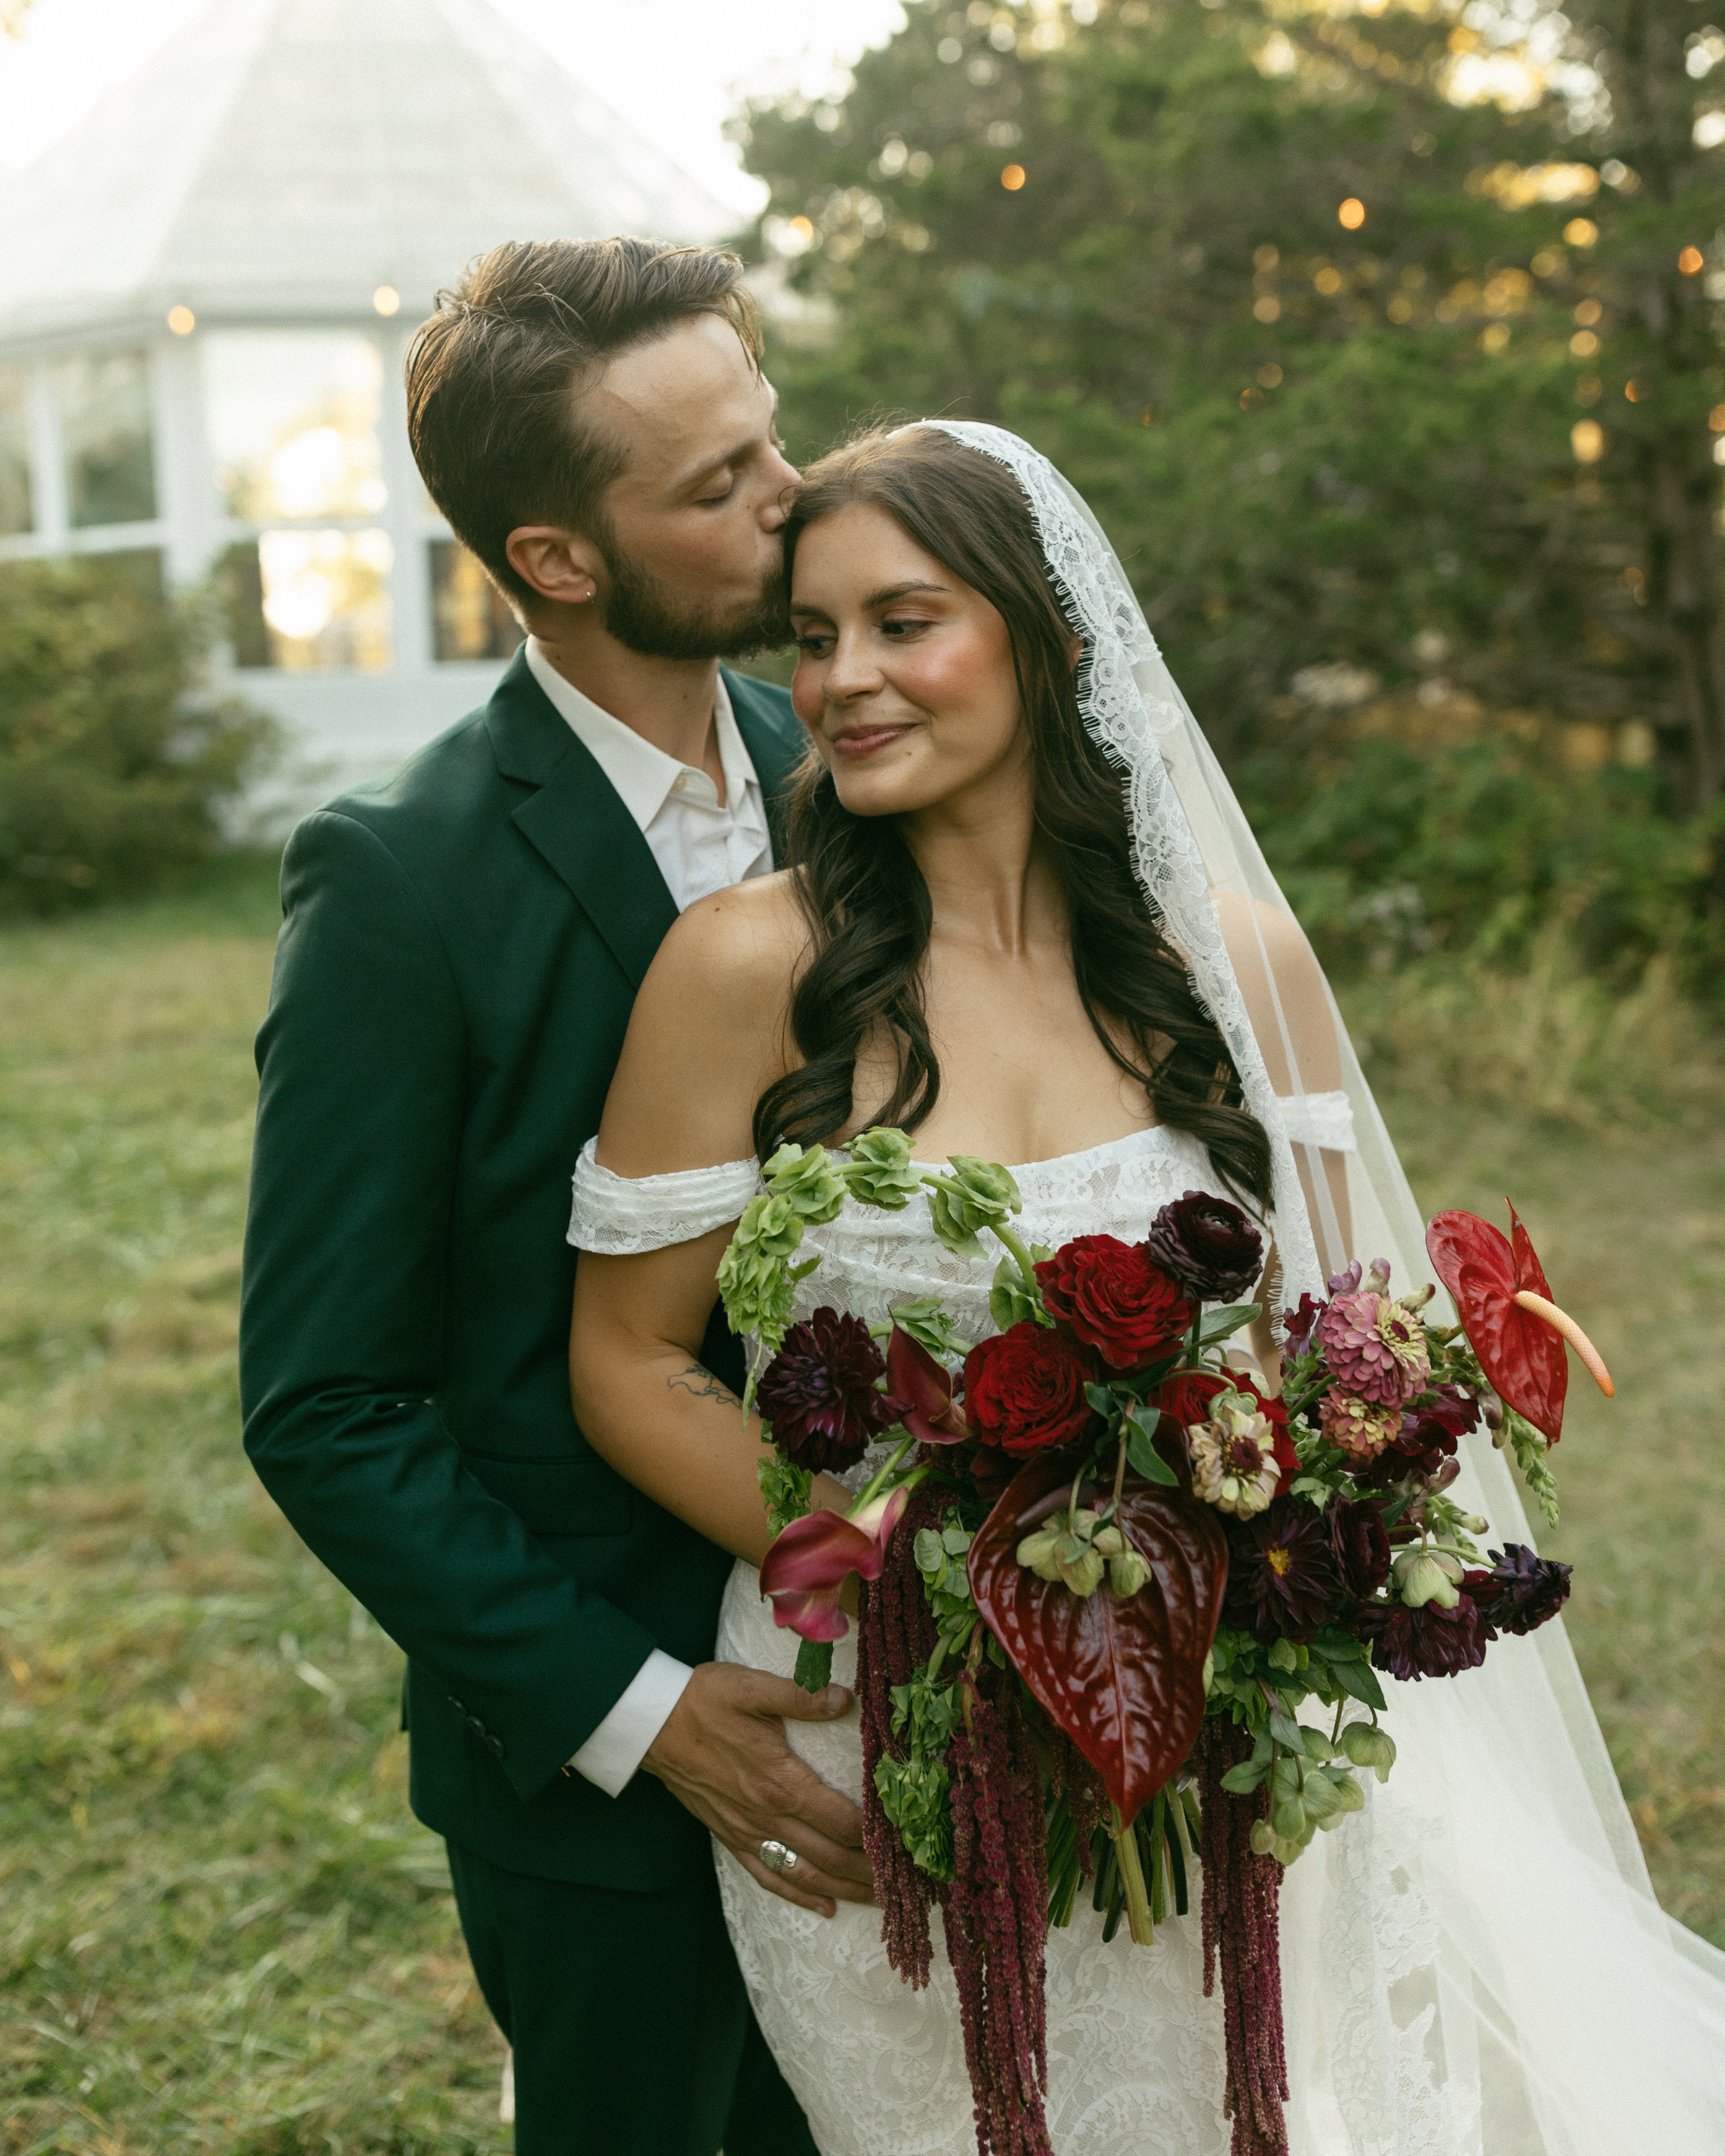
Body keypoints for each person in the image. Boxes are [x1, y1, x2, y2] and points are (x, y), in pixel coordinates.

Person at [565, 421, 1725, 2154]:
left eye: (904, 620)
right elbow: (630, 1360)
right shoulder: (748, 966)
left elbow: (1350, 1347)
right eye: (811, 637)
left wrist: (1276, 1552)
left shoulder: (1236, 962)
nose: (843, 678)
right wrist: (914, 1573)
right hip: (886, 1737)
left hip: (1230, 1724)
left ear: (1040, 639)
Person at [239, 236, 868, 2156]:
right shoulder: (398, 881)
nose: (798, 502)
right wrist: (643, 1708)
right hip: (604, 1787)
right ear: (557, 558)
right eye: (722, 487)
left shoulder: (840, 767)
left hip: (893, 1706)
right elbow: (325, 1403)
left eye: (774, 442)